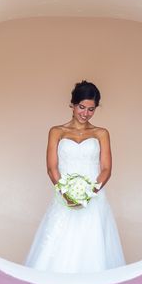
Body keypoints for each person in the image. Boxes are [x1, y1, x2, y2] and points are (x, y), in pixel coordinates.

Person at [25, 81, 126, 273]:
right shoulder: (56, 132)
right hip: (63, 197)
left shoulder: (101, 133)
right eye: (81, 107)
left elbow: (106, 169)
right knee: (58, 249)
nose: (85, 113)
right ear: (72, 104)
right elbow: (51, 167)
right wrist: (65, 195)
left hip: (94, 199)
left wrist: (89, 193)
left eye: (91, 109)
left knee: (93, 246)